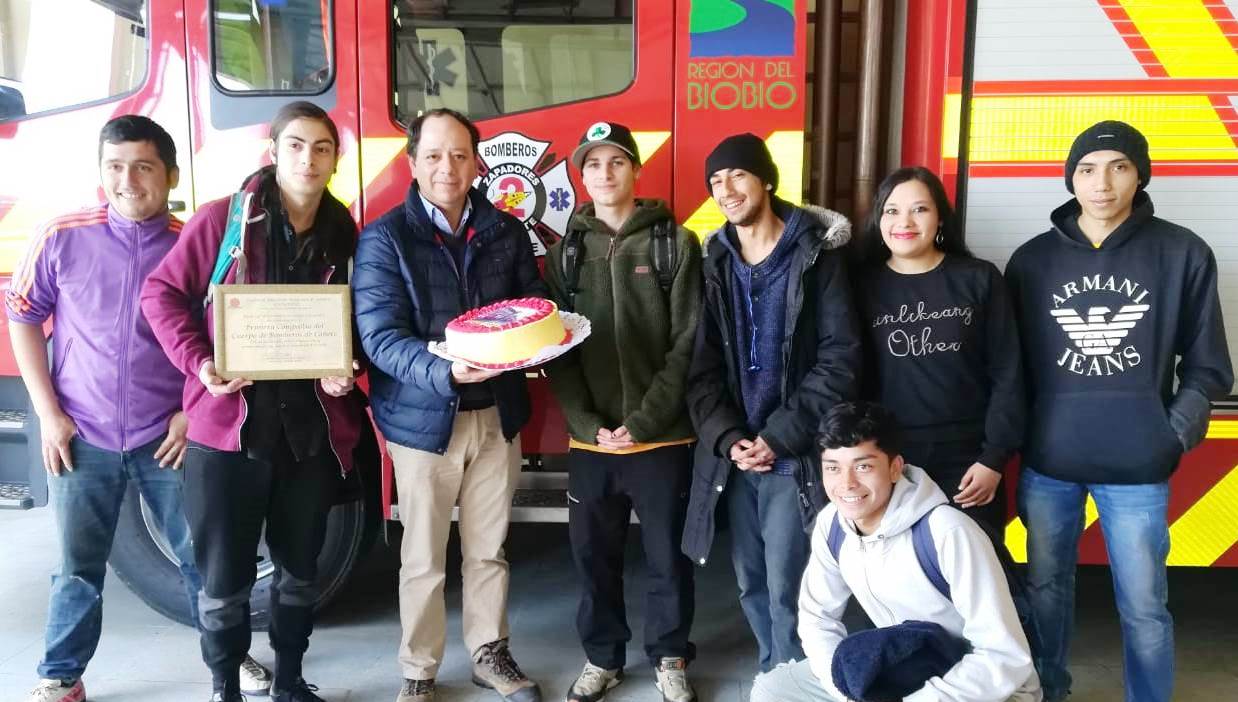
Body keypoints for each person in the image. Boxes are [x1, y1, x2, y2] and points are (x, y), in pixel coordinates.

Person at [8, 115, 269, 702]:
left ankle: (229, 662)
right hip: (81, 436)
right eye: (114, 167)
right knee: (77, 566)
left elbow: (216, 338)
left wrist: (188, 414)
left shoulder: (192, 243)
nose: (128, 181)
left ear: (171, 175)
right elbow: (22, 315)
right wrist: (49, 415)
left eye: (144, 167)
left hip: (168, 437)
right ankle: (61, 675)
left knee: (203, 561)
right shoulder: (61, 235)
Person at [141, 101, 370, 702]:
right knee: (224, 579)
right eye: (295, 145)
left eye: (322, 147)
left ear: (335, 159)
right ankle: (226, 687)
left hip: (310, 435)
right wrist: (201, 363)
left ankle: (290, 681)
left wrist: (350, 370)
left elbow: (361, 324)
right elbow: (161, 294)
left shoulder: (345, 232)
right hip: (227, 435)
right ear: (274, 152)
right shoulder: (223, 221)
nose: (308, 158)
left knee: (300, 572)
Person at [1005, 120, 1233, 702]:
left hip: (1139, 468)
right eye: (1087, 169)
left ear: (1140, 175)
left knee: (1144, 606)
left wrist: (1171, 433)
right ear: (1070, 179)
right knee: (1046, 593)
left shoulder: (1183, 252)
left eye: (1118, 167)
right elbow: (1010, 369)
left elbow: (1208, 367)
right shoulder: (1031, 262)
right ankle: (1046, 691)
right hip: (1049, 465)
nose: (1101, 183)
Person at [352, 108, 545, 702]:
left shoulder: (505, 231)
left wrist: (536, 345)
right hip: (421, 423)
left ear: (476, 162)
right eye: (433, 155)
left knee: (490, 550)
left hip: (497, 417)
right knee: (423, 557)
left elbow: (531, 304)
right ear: (413, 163)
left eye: (459, 155)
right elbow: (380, 336)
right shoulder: (385, 237)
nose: (447, 168)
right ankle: (420, 669)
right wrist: (445, 373)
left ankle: (490, 652)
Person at [682, 133, 861, 672]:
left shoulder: (817, 258)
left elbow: (841, 360)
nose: (727, 190)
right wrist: (730, 438)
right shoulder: (716, 262)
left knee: (793, 589)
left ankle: (798, 682)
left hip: (794, 454)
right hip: (737, 459)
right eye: (716, 181)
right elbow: (702, 369)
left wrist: (777, 436)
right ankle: (774, 672)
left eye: (737, 175)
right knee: (749, 584)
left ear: (766, 179)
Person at [544, 121, 701, 702]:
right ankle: (602, 657)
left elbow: (689, 342)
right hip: (592, 443)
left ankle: (670, 657)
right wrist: (587, 425)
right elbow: (554, 348)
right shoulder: (565, 254)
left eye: (616, 162)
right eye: (592, 165)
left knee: (667, 558)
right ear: (580, 177)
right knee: (594, 559)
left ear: (636, 169)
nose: (604, 174)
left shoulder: (675, 244)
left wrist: (644, 421)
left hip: (660, 440)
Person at [750, 401, 1041, 702]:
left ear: (894, 468)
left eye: (863, 466)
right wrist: (847, 691)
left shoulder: (948, 532)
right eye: (833, 468)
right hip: (905, 667)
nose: (847, 484)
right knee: (774, 690)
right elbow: (817, 618)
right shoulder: (833, 524)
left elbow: (1003, 656)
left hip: (980, 683)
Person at [852, 166, 1024, 534]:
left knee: (973, 577)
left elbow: (1009, 374)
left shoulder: (979, 278)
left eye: (920, 209)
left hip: (968, 461)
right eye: (892, 210)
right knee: (896, 579)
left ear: (940, 218)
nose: (905, 221)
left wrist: (993, 459)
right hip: (888, 458)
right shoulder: (858, 285)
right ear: (879, 220)